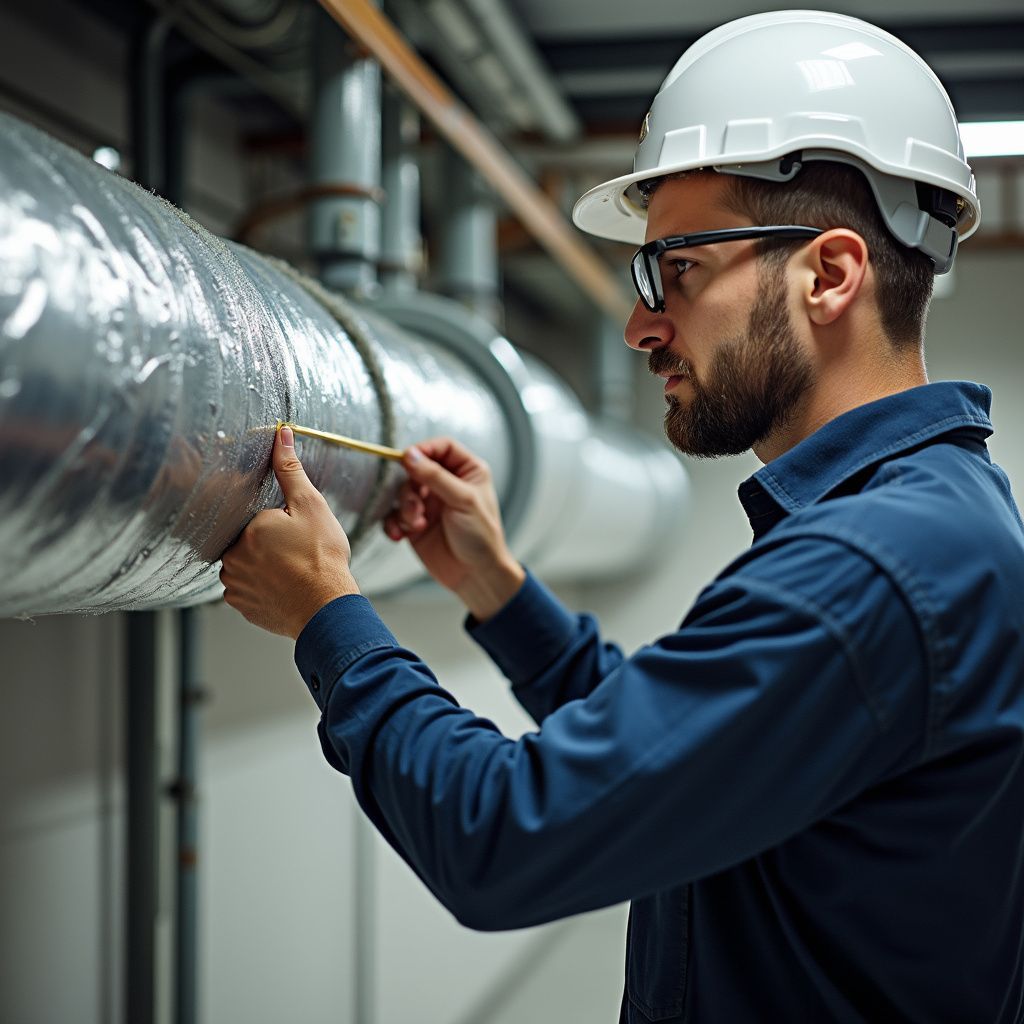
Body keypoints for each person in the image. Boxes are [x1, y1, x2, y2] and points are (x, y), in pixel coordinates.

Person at [219, 11, 1024, 1022]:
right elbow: (677, 760)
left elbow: (503, 838)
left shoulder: (873, 565)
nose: (643, 322)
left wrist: (327, 617)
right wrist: (497, 590)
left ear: (828, 273)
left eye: (677, 269)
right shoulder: (933, 525)